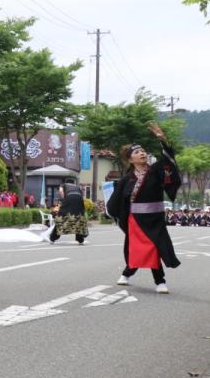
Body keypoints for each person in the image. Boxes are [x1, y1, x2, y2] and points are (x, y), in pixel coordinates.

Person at [106, 122, 181, 294]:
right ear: (130, 159)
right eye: (137, 152)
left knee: (154, 248)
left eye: (143, 151)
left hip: (155, 218)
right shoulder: (127, 179)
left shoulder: (156, 171)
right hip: (135, 220)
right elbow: (117, 200)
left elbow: (168, 160)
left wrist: (163, 140)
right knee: (137, 249)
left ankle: (159, 280)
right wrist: (112, 212)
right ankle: (129, 273)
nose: (142, 153)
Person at [49, 179, 89, 244]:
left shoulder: (63, 185)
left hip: (69, 197)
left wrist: (63, 199)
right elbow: (82, 195)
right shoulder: (77, 186)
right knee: (79, 217)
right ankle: (80, 239)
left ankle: (53, 238)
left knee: (61, 216)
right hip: (79, 199)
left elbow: (61, 191)